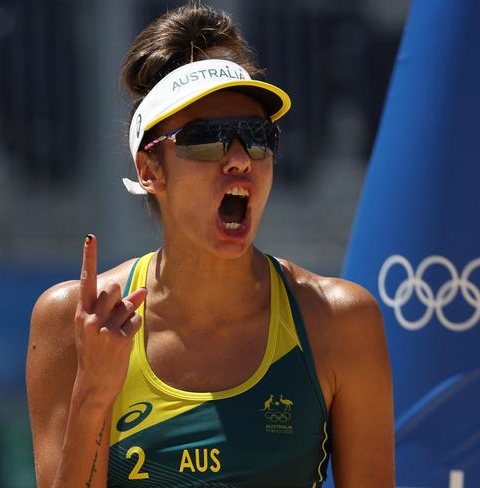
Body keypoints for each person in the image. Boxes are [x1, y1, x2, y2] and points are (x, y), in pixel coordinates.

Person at [26, 3, 394, 487]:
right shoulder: (76, 317)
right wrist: (94, 393)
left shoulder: (340, 319)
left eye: (258, 137)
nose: (240, 158)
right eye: (208, 139)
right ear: (149, 169)